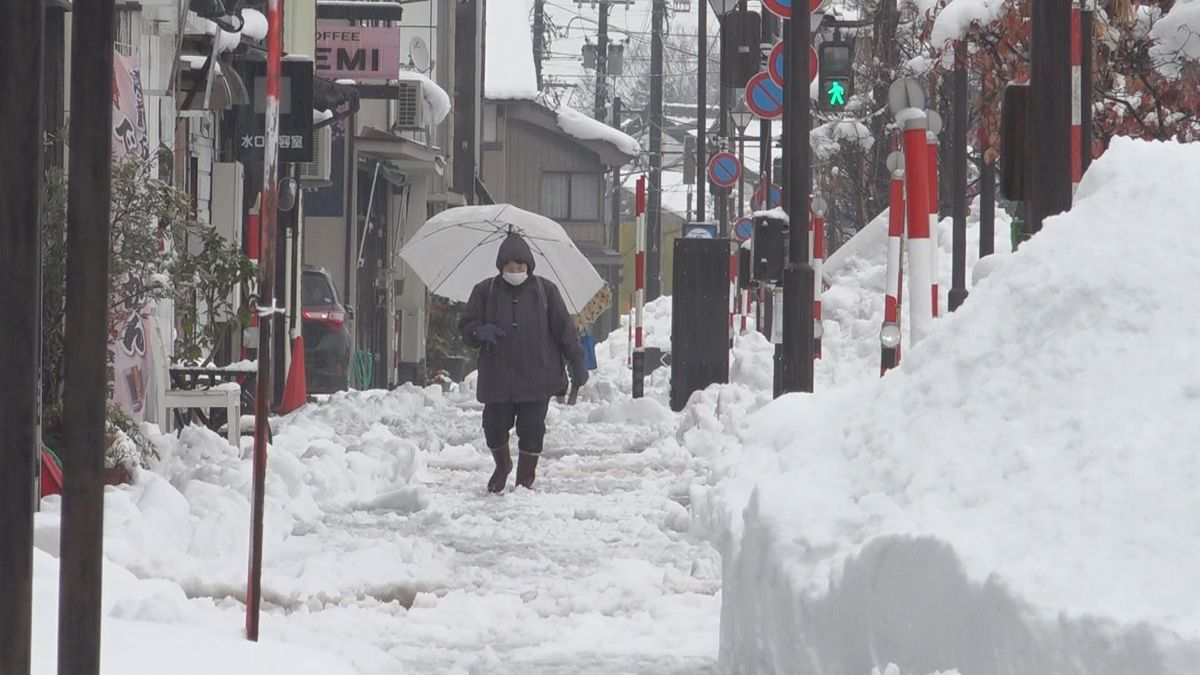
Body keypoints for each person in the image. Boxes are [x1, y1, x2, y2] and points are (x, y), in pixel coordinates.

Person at [460, 232, 588, 492]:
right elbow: (466, 327)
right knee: (494, 427)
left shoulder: (546, 291)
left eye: (520, 267)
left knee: (531, 431)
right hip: (498, 377)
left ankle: (524, 481)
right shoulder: (485, 291)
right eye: (510, 267)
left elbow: (565, 330)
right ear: (501, 267)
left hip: (537, 376)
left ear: (529, 266)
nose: (515, 271)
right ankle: (503, 465)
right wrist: (480, 331)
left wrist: (578, 362)